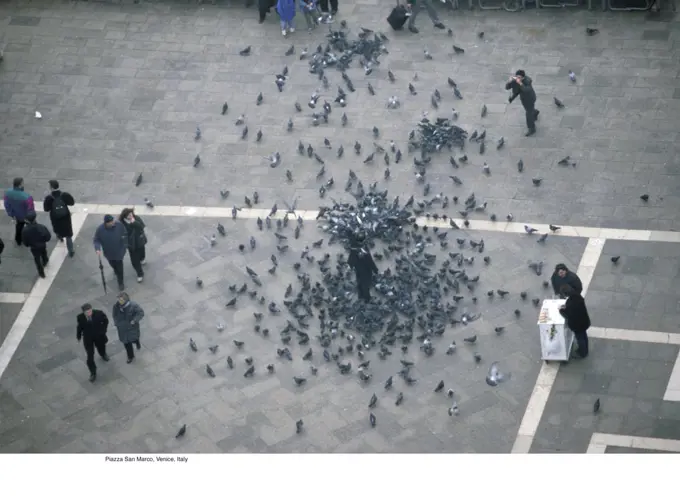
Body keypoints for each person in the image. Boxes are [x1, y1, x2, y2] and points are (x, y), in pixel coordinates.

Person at [93, 214, 128, 291]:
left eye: (113, 221)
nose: (113, 223)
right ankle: (115, 270)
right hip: (108, 253)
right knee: (112, 264)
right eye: (111, 222)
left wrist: (124, 246)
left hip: (119, 252)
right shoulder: (100, 229)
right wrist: (97, 248)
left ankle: (120, 282)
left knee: (120, 269)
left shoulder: (119, 225)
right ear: (106, 223)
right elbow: (96, 240)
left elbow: (125, 234)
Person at [76, 303, 110, 383]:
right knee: (90, 356)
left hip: (99, 336)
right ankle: (93, 372)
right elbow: (79, 327)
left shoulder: (99, 313)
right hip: (88, 338)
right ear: (84, 312)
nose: (89, 313)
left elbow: (106, 321)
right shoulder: (80, 317)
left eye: (90, 311)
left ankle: (103, 354)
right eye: (87, 312)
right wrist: (78, 336)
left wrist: (103, 330)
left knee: (101, 347)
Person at [43, 180, 76, 258]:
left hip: (55, 218)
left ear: (51, 187)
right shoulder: (64, 195)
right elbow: (72, 203)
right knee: (68, 235)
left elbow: (46, 209)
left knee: (57, 229)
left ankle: (60, 237)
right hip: (65, 218)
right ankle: (71, 251)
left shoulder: (49, 198)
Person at [559, 285, 590, 359]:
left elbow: (568, 314)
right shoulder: (577, 296)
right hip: (584, 321)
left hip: (577, 325)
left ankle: (582, 353)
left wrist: (561, 310)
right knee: (584, 336)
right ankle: (585, 350)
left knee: (580, 339)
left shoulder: (571, 303)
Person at [112, 292, 145, 364]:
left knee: (134, 338)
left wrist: (134, 320)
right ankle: (130, 356)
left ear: (126, 300)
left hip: (132, 327)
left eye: (121, 300)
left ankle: (137, 343)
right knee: (126, 343)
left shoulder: (133, 305)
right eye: (118, 300)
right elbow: (114, 315)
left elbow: (141, 313)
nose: (119, 301)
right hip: (122, 329)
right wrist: (116, 323)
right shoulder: (116, 306)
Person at [506, 70, 539, 136]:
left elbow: (526, 90)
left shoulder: (528, 81)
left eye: (519, 77)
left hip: (530, 99)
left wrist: (520, 83)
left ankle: (532, 128)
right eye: (517, 77)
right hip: (523, 99)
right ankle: (535, 112)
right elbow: (507, 87)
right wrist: (509, 82)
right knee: (529, 110)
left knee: (528, 114)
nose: (517, 78)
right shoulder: (515, 80)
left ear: (523, 77)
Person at [348, 232, 379, 303]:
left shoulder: (354, 247)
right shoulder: (364, 249)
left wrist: (350, 265)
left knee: (359, 282)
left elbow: (351, 258)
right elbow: (370, 261)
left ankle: (360, 296)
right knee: (365, 285)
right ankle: (367, 299)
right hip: (366, 271)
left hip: (358, 270)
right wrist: (375, 269)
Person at [4, 177, 35, 246]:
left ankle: (18, 240)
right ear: (20, 185)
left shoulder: (8, 193)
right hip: (26, 216)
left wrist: (11, 214)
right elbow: (31, 209)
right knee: (31, 227)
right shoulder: (27, 197)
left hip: (17, 216)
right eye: (23, 183)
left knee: (18, 228)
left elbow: (7, 205)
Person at [119, 208, 147, 284]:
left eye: (131, 214)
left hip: (139, 241)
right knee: (134, 260)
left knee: (142, 252)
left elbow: (142, 227)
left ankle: (142, 258)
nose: (130, 215)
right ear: (124, 216)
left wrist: (134, 222)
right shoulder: (122, 223)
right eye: (128, 215)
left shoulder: (136, 218)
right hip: (131, 244)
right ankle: (140, 274)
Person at [21, 212, 51, 278]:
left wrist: (28, 244)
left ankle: (41, 273)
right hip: (42, 245)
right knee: (44, 253)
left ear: (27, 220)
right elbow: (48, 236)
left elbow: (25, 242)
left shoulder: (25, 230)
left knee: (37, 260)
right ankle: (45, 260)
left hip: (34, 247)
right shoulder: (41, 227)